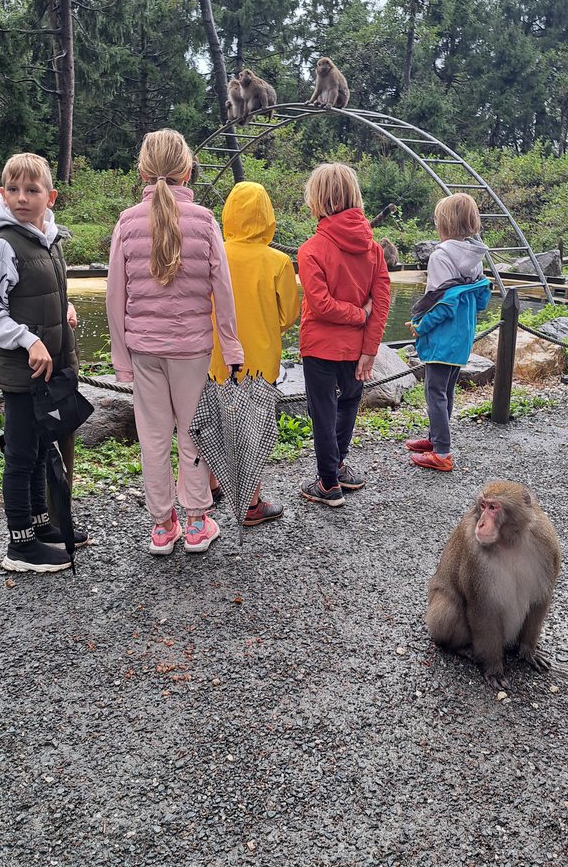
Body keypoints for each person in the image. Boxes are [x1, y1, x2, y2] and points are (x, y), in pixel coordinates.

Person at [106, 128, 243, 555]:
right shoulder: (204, 221)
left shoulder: (127, 222)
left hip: (145, 349)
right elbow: (223, 291)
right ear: (188, 170)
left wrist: (121, 357)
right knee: (195, 433)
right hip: (193, 350)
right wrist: (232, 348)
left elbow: (115, 295)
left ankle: (162, 528)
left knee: (153, 437)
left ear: (144, 171)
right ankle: (198, 522)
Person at [0, 152, 82, 573]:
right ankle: (20, 544)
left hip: (48, 371)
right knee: (20, 456)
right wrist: (29, 339)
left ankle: (41, 524)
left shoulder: (48, 239)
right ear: (3, 193)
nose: (22, 198)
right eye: (14, 190)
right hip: (23, 373)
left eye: (32, 190)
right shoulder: (3, 244)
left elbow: (35, 293)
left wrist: (64, 307)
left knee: (40, 449)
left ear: (49, 196)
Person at [297, 162, 390, 507]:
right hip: (356, 349)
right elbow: (381, 302)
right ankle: (337, 466)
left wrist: (355, 314)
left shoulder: (310, 250)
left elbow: (320, 306)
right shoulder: (374, 250)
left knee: (322, 411)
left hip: (319, 346)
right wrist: (369, 346)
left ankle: (327, 483)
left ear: (316, 200)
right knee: (348, 402)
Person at [209, 180, 300, 526]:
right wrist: (266, 325)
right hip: (260, 359)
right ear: (268, 217)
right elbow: (289, 314)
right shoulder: (278, 261)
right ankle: (251, 503)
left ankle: (212, 487)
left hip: (215, 354)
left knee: (213, 422)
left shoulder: (212, 252)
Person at [405, 193, 491, 472]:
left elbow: (441, 305)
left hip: (442, 338)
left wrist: (420, 327)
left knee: (434, 392)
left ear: (443, 223)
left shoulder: (441, 256)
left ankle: (442, 452)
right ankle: (436, 438)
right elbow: (480, 300)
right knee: (446, 390)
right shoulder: (474, 256)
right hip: (462, 337)